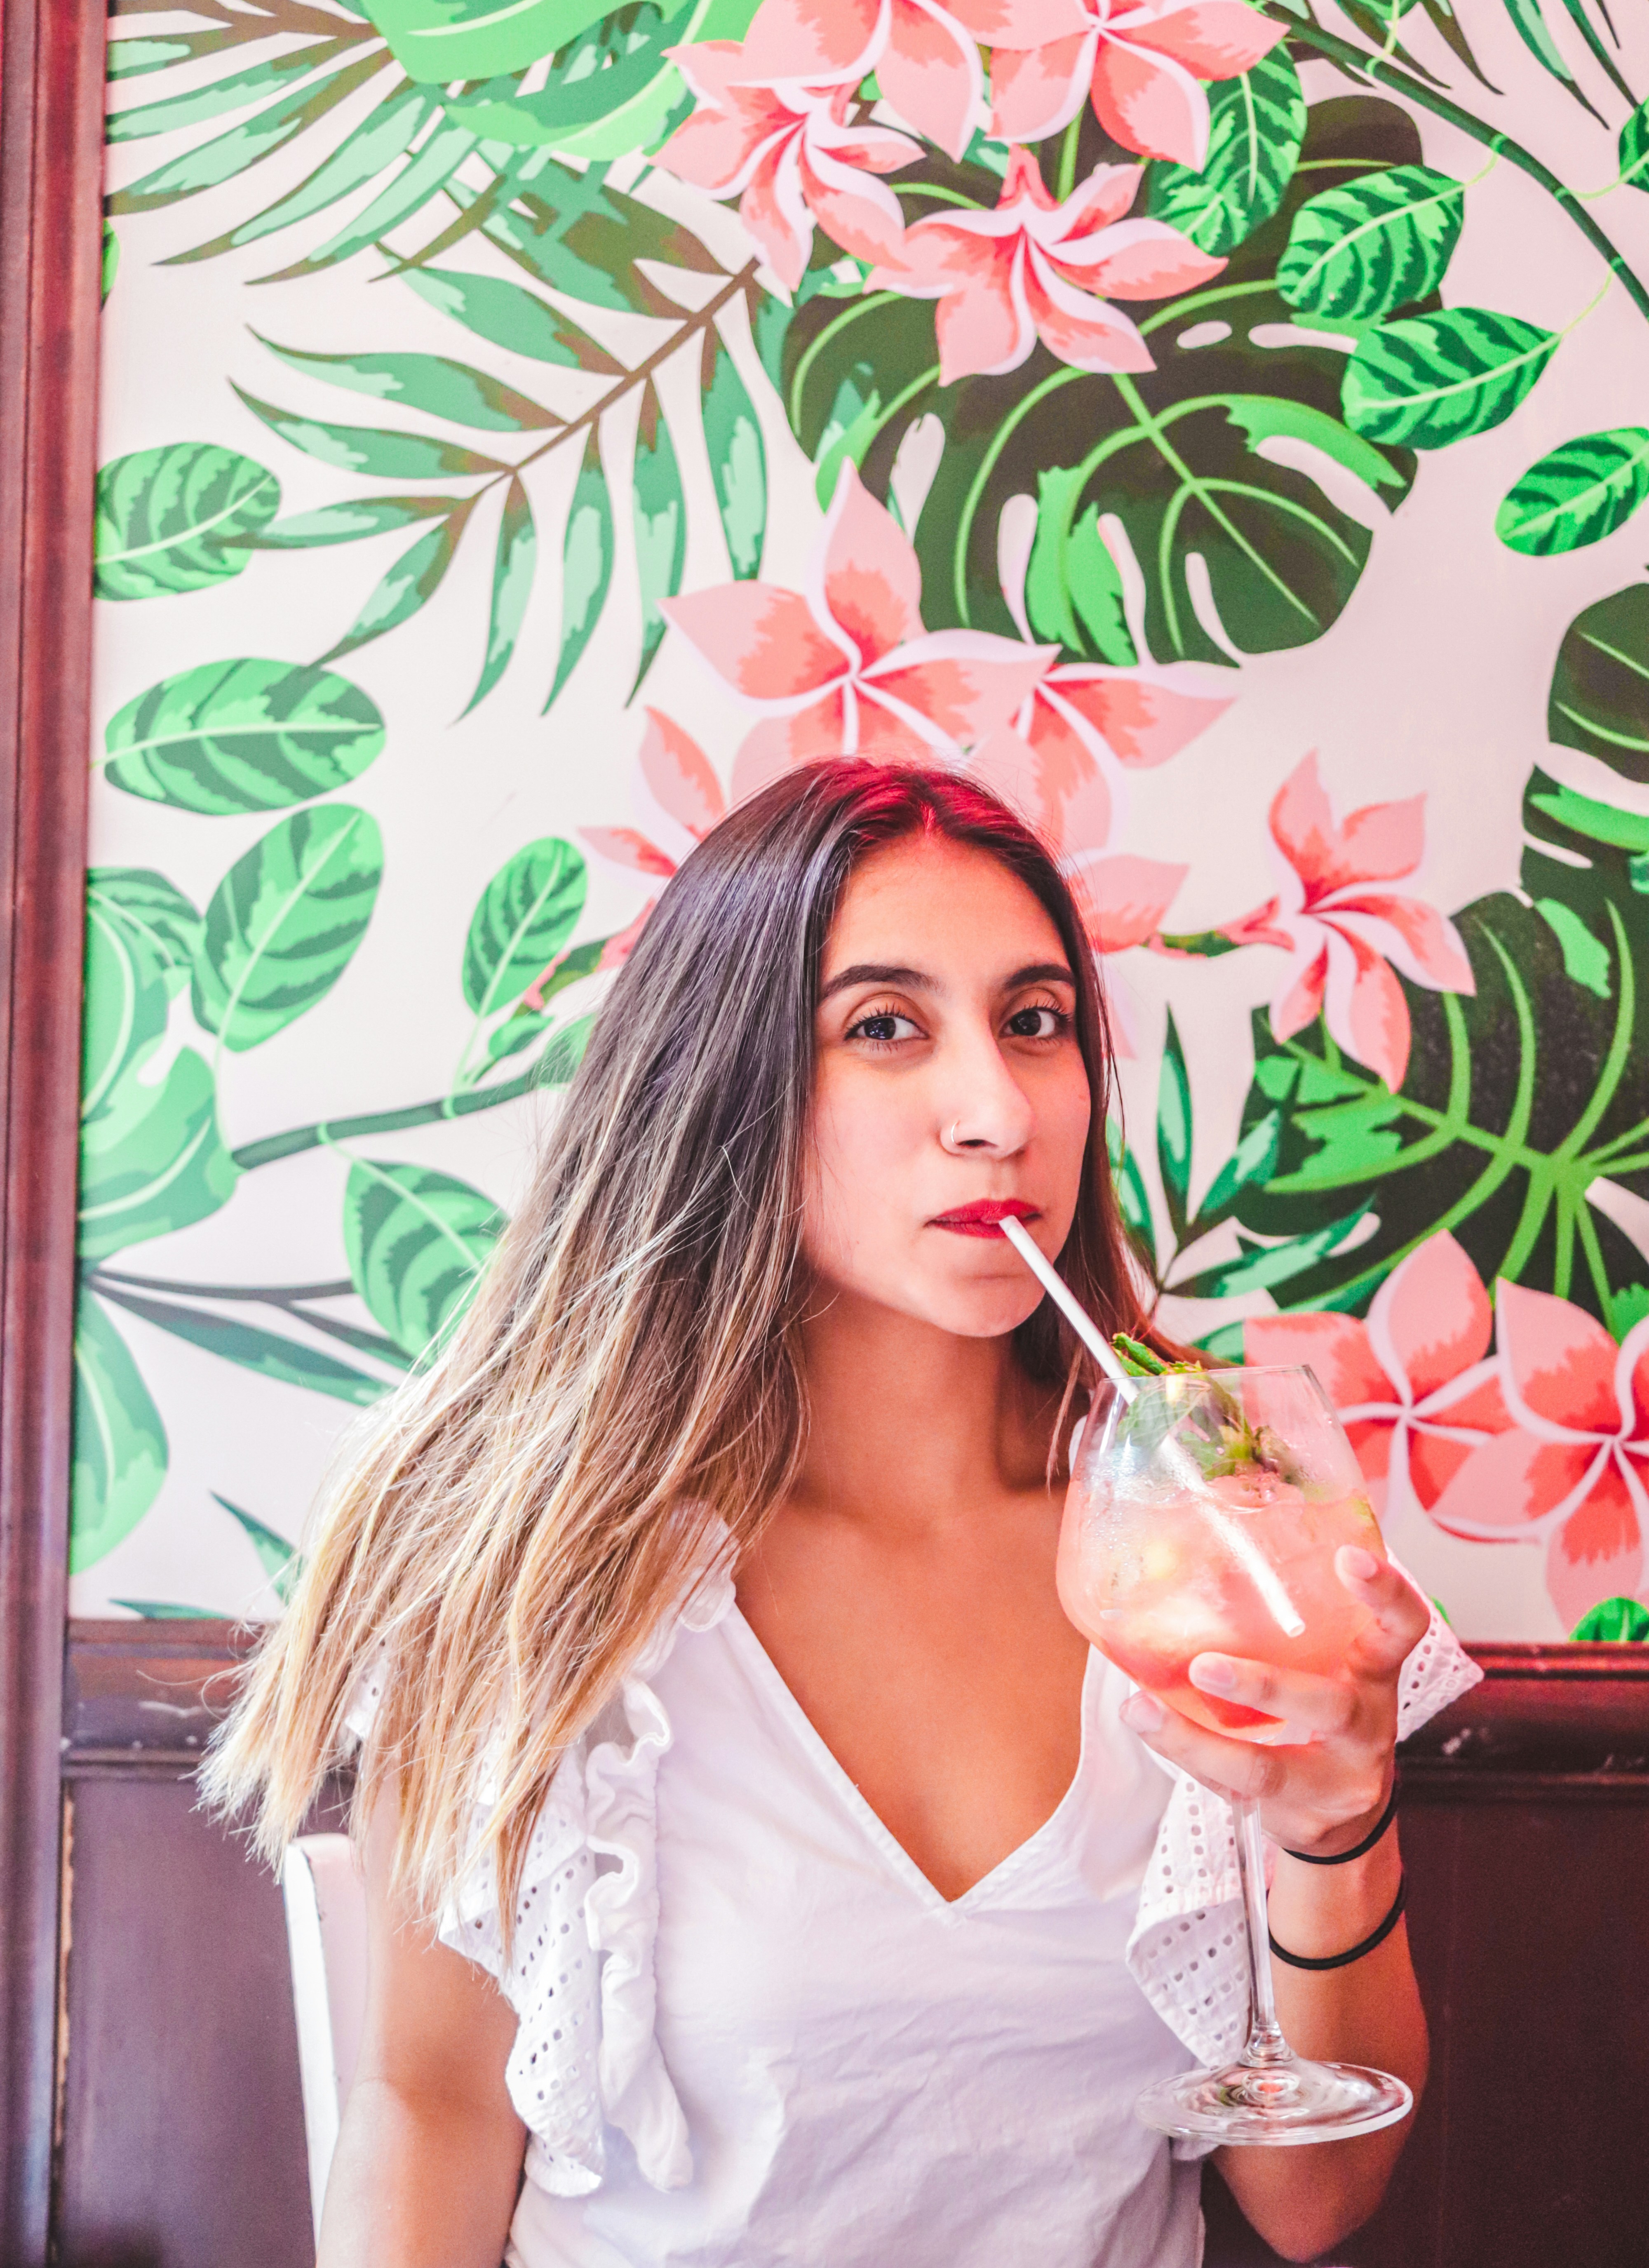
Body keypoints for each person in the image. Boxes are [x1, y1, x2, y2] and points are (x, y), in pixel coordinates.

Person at [206, 759, 1478, 2268]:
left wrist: (1342, 1829)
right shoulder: (526, 1554)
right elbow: (430, 2112)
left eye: (1036, 1022)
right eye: (885, 1026)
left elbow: (1313, 2199)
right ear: (729, 1085)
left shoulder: (1223, 1550)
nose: (997, 1109)